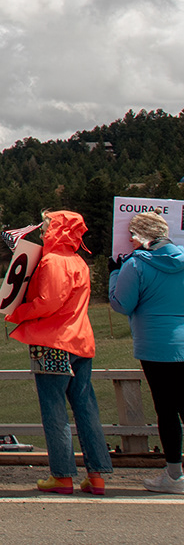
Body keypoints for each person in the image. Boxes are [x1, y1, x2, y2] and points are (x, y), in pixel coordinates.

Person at [7, 209, 111, 494]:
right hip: (82, 341)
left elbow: (46, 303)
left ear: (58, 230)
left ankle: (63, 475)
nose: (43, 232)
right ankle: (97, 474)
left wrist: (17, 313)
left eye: (47, 226)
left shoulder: (52, 262)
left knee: (54, 410)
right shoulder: (80, 262)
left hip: (52, 342)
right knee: (86, 408)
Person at [109, 210, 184, 493]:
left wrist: (114, 273)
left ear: (140, 236)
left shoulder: (137, 264)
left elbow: (121, 304)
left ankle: (174, 475)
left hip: (156, 346)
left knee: (166, 409)